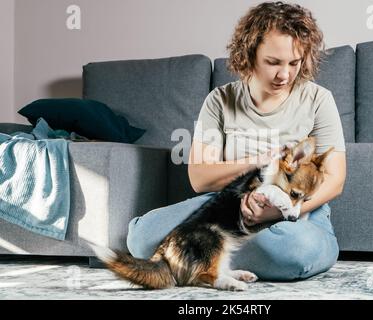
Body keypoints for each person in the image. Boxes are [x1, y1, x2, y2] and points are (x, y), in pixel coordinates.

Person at [127, 1, 346, 281]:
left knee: (295, 251)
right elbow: (200, 178)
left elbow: (335, 179)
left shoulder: (318, 99)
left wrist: (280, 212)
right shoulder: (220, 100)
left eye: (294, 63)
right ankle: (217, 259)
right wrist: (259, 162)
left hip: (295, 216)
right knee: (142, 238)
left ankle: (201, 259)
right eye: (273, 62)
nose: (285, 75)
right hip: (228, 206)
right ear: (250, 54)